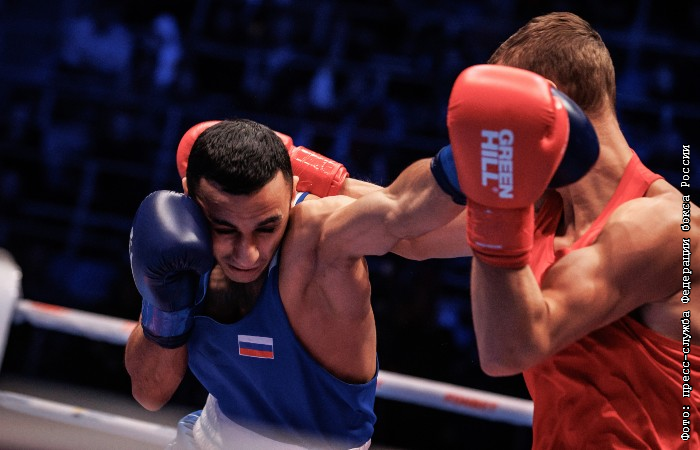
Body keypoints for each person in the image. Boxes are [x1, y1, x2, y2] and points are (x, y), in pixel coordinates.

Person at [124, 118, 465, 449]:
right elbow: (149, 393)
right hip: (205, 435)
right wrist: (165, 307)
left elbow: (411, 217)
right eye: (225, 229)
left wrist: (469, 159)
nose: (248, 253)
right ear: (189, 196)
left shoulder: (319, 240)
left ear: (292, 191)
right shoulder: (181, 246)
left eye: (267, 227)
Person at [446, 12, 700, 449]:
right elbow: (403, 227)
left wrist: (492, 202)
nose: (500, 136)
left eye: (505, 115)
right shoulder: (543, 208)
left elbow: (508, 350)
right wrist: (317, 176)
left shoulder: (667, 226)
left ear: (550, 101)